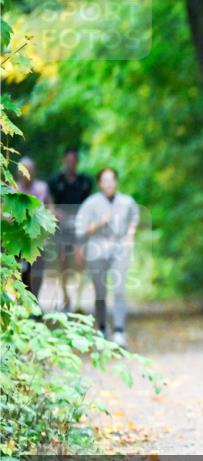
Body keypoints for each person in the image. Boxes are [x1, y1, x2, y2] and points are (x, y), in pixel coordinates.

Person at [76, 167, 139, 347]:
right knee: (100, 291)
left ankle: (119, 330)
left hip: (119, 247)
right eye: (105, 180)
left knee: (119, 289)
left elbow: (134, 217)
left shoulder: (127, 201)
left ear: (116, 181)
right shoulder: (90, 203)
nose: (109, 183)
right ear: (99, 183)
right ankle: (102, 327)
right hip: (97, 247)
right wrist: (99, 223)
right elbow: (82, 229)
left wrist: (130, 235)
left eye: (112, 180)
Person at [47, 147, 93, 311]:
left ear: (77, 162)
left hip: (79, 225)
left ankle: (79, 299)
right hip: (62, 227)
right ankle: (65, 295)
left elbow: (89, 205)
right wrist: (59, 215)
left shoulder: (85, 182)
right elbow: (50, 204)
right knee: (63, 262)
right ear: (64, 161)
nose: (71, 164)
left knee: (81, 260)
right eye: (68, 161)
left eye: (74, 161)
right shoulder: (54, 181)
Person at [16, 156, 54, 297]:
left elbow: (50, 207)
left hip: (38, 239)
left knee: (37, 271)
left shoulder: (42, 187)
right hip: (18, 239)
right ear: (18, 173)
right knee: (22, 271)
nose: (26, 175)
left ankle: (35, 299)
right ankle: (23, 302)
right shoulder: (13, 189)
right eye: (23, 171)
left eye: (30, 171)